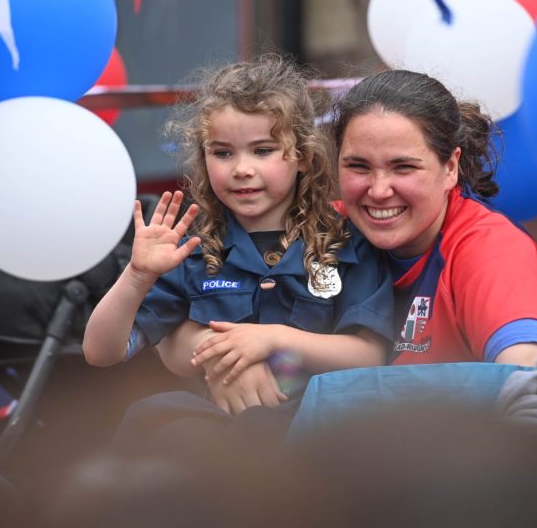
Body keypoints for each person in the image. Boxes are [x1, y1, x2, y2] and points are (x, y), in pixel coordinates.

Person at [82, 55, 393, 424]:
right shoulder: (190, 247)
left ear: (304, 157)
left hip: (318, 431)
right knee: (148, 417)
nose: (242, 169)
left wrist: (270, 340)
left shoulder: (345, 241)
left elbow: (370, 355)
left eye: (262, 150)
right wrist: (137, 276)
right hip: (219, 440)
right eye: (222, 153)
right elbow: (101, 352)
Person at [332, 69, 537, 367]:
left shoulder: (492, 248)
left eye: (403, 167)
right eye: (358, 166)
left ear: (450, 168)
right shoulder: (318, 231)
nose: (378, 191)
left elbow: (531, 374)